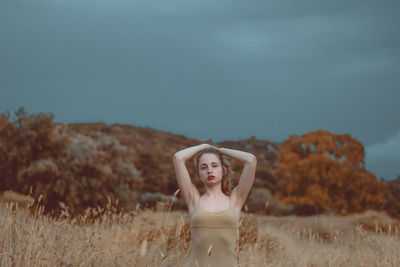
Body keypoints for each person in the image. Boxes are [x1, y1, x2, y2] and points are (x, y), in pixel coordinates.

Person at [173, 143, 257, 267]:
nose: (209, 170)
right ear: (199, 174)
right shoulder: (193, 200)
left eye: (214, 165)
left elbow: (250, 160)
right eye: (204, 167)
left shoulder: (235, 200)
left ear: (223, 170)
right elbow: (178, 158)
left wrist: (220, 150)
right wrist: (203, 146)